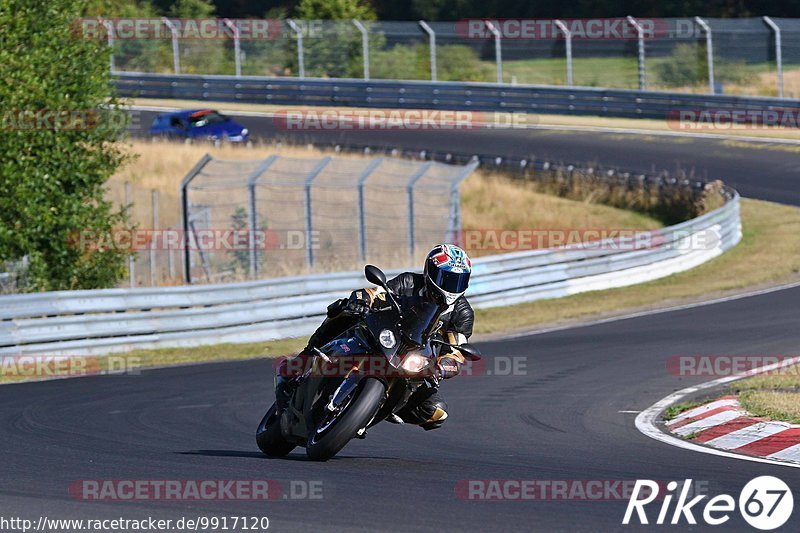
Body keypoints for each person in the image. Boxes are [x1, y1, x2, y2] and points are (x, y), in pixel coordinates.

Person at [275, 243, 474, 431]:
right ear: (430, 272)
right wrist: (361, 300)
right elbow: (377, 293)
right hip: (387, 334)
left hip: (417, 359)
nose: (452, 286)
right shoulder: (410, 282)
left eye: (459, 281)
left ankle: (380, 408)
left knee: (437, 412)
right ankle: (301, 362)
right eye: (447, 279)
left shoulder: (462, 313)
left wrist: (443, 366)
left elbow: (457, 351)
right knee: (344, 312)